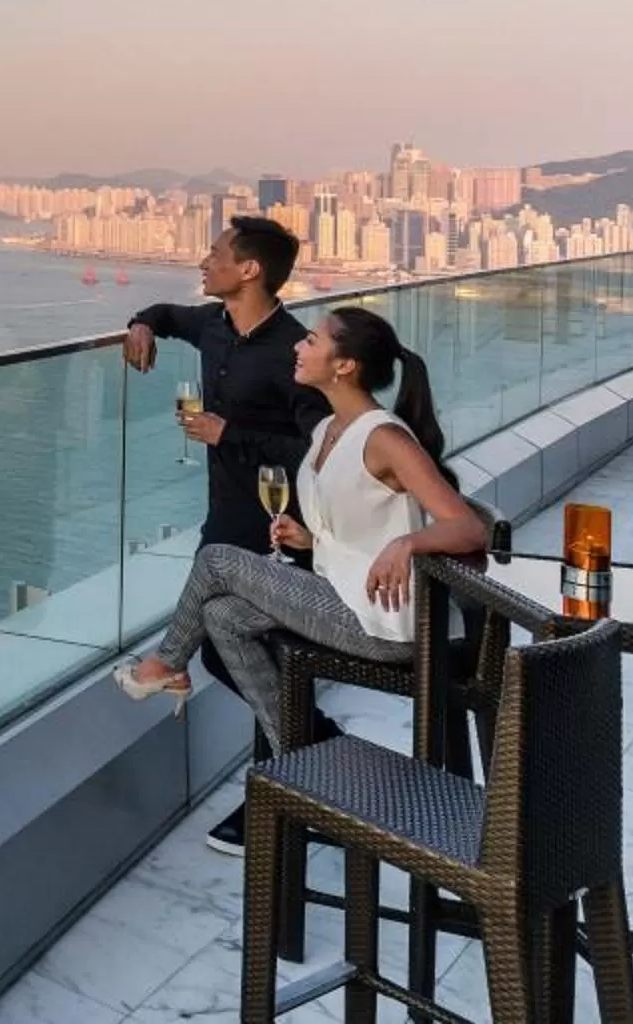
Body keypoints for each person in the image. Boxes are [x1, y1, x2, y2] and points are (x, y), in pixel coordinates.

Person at [111, 306, 486, 766]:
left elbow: (469, 527)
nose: (296, 346)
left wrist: (407, 544)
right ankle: (301, 760)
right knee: (222, 616)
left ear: (344, 365)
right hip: (343, 594)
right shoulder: (330, 428)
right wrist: (311, 540)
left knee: (216, 560)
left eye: (311, 340)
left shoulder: (386, 439)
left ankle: (166, 665)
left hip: (383, 621)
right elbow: (361, 519)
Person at [121, 215, 328, 854]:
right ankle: (310, 769)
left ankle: (298, 781)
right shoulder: (212, 326)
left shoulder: (292, 351)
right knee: (229, 649)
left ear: (249, 271)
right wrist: (142, 324)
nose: (202, 262)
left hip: (280, 524)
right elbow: (165, 311)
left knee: (246, 652)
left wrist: (227, 435)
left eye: (214, 255)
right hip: (224, 515)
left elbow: (318, 448)